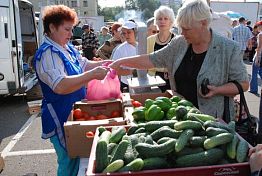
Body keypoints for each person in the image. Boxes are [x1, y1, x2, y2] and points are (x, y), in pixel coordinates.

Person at [110, 0, 249, 118]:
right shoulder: (180, 43)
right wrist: (121, 62)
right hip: (181, 116)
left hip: (214, 122)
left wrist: (218, 90)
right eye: (181, 28)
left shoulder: (229, 48)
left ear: (204, 23)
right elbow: (152, 59)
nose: (182, 33)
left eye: (187, 29)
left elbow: (243, 84)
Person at [33, 5, 110, 176]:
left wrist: (107, 64)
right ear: (52, 27)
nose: (70, 34)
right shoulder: (48, 54)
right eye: (67, 29)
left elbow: (83, 64)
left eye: (72, 29)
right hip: (59, 116)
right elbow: (60, 86)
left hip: (72, 113)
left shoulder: (65, 47)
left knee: (77, 160)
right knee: (68, 162)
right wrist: (91, 75)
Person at [147, 6, 176, 92]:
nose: (162, 21)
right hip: (153, 83)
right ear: (156, 21)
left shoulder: (177, 40)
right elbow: (147, 61)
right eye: (159, 19)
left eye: (166, 18)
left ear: (171, 21)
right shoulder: (149, 40)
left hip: (172, 82)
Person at [111, 20, 138, 92]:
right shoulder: (120, 49)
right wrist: (131, 72)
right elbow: (114, 69)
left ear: (135, 32)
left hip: (142, 82)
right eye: (124, 33)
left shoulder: (142, 46)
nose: (126, 35)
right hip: (126, 84)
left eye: (129, 32)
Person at [250, 21, 262, 95]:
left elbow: (259, 47)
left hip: (260, 54)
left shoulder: (260, 34)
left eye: (257, 26)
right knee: (260, 71)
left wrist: (257, 57)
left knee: (254, 72)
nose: (257, 28)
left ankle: (253, 89)